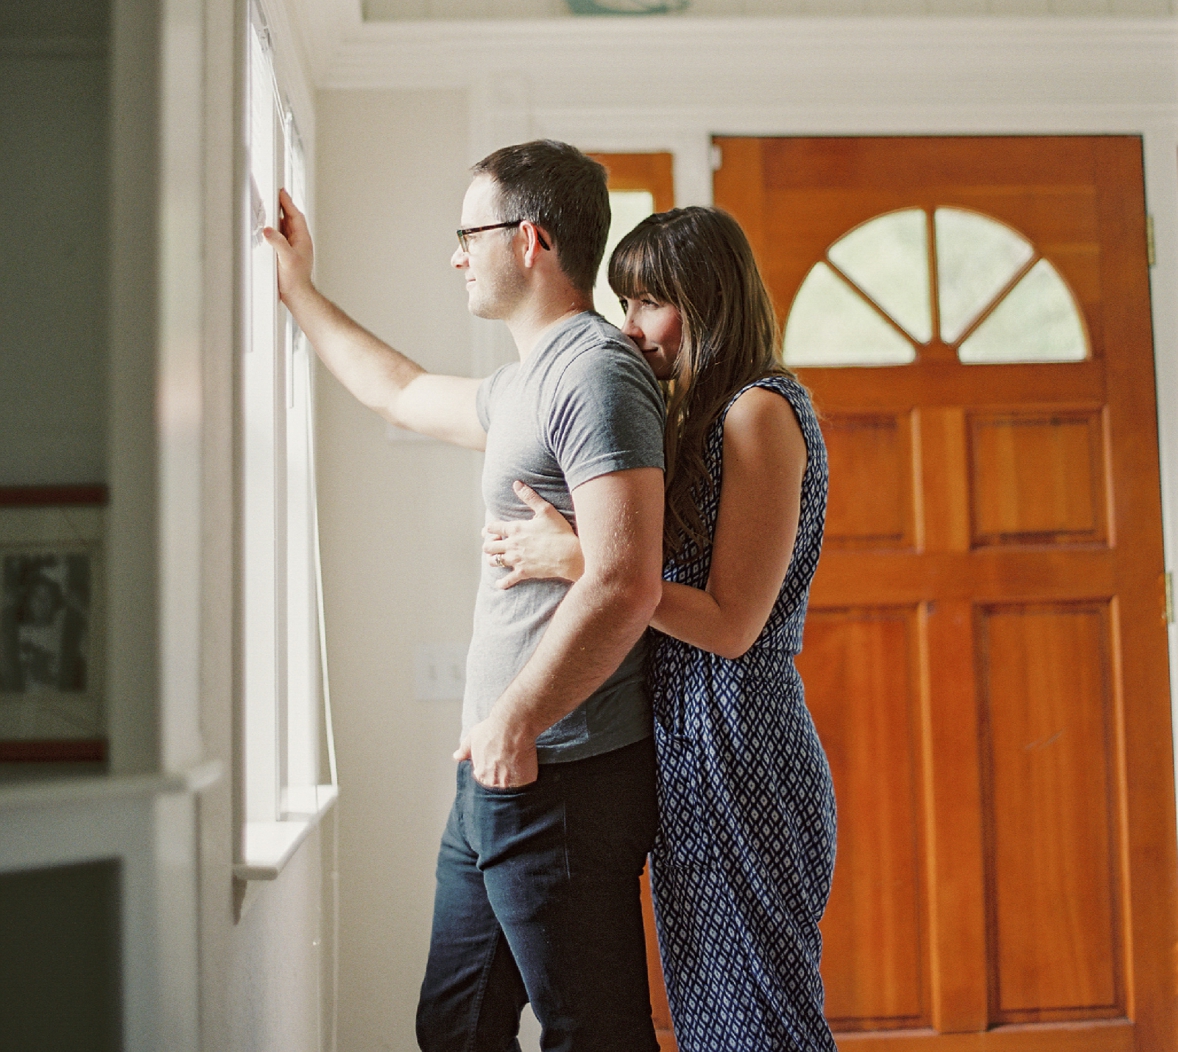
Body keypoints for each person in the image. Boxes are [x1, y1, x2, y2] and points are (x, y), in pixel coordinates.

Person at [264, 139, 667, 1052]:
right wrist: (298, 291)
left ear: (531, 240)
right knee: (454, 1027)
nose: (455, 255)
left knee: (592, 1033)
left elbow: (624, 578)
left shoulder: (594, 375)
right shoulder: (529, 382)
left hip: (560, 769)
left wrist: (516, 722)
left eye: (468, 233)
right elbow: (400, 391)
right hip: (500, 766)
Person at [483, 205, 838, 1052]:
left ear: (708, 301)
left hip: (739, 739)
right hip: (692, 741)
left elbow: (733, 626)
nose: (631, 328)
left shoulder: (758, 412)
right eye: (625, 303)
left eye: (650, 303)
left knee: (763, 1019)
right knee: (719, 1017)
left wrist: (585, 563)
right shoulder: (703, 416)